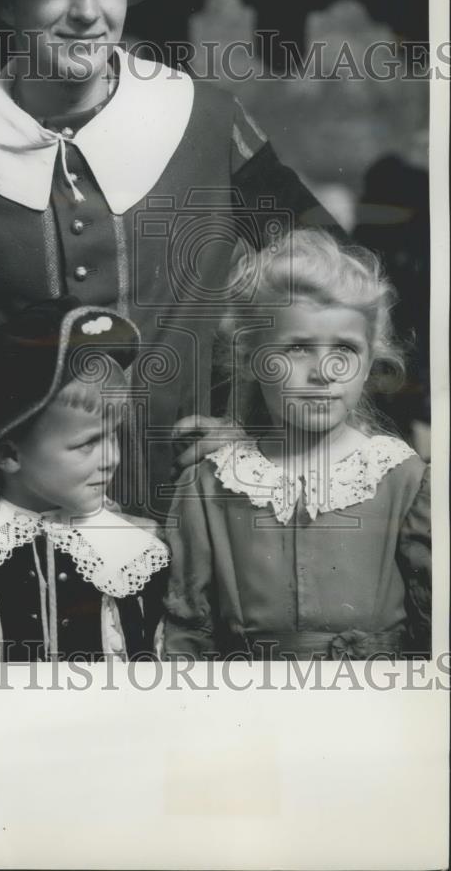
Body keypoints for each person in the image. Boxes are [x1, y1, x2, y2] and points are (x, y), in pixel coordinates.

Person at [0, 0, 345, 521]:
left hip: (205, 512)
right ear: (6, 1)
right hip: (26, 533)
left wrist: (257, 424)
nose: (87, 12)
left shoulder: (208, 122)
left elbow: (334, 282)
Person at [162, 230, 431, 660]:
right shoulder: (209, 484)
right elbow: (187, 634)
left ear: (369, 364)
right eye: (299, 349)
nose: (324, 372)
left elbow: (435, 629)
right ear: (252, 357)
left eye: (345, 348)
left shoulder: (405, 479)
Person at [0, 297, 170, 662]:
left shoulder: (135, 555)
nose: (112, 458)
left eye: (113, 435)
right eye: (87, 443)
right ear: (9, 454)